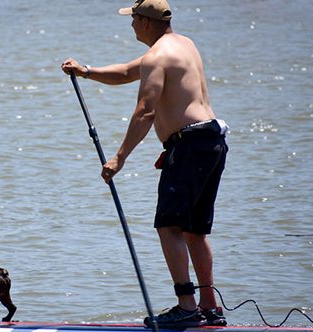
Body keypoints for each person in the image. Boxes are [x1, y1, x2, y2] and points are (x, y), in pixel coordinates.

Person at [61, 0, 229, 328]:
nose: (131, 25)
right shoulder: (182, 45)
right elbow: (126, 72)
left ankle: (186, 307)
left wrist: (118, 158)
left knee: (169, 226)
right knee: (194, 230)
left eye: (134, 19)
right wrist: (86, 71)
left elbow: (145, 111)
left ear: (146, 22)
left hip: (189, 146)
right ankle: (210, 307)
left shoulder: (156, 56)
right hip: (212, 141)